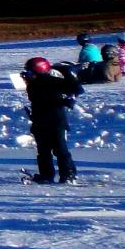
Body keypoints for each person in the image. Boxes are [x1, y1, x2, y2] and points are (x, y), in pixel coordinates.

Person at [21, 56, 83, 184]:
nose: (27, 76)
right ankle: (46, 175)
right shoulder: (32, 86)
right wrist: (64, 100)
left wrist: (69, 73)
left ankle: (68, 174)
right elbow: (43, 99)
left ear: (40, 71)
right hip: (40, 122)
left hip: (56, 122)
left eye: (30, 72)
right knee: (43, 152)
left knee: (60, 150)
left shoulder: (52, 81)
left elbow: (77, 89)